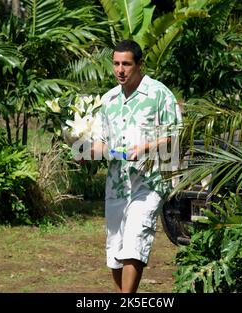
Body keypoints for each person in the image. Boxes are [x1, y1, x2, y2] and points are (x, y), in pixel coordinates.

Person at [90, 39, 182, 293]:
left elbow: (176, 136)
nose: (120, 70)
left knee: (135, 238)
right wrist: (86, 150)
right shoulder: (108, 100)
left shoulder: (159, 94)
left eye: (126, 64)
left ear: (139, 64)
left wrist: (145, 148)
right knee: (116, 247)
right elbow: (100, 141)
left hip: (150, 182)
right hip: (117, 184)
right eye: (116, 64)